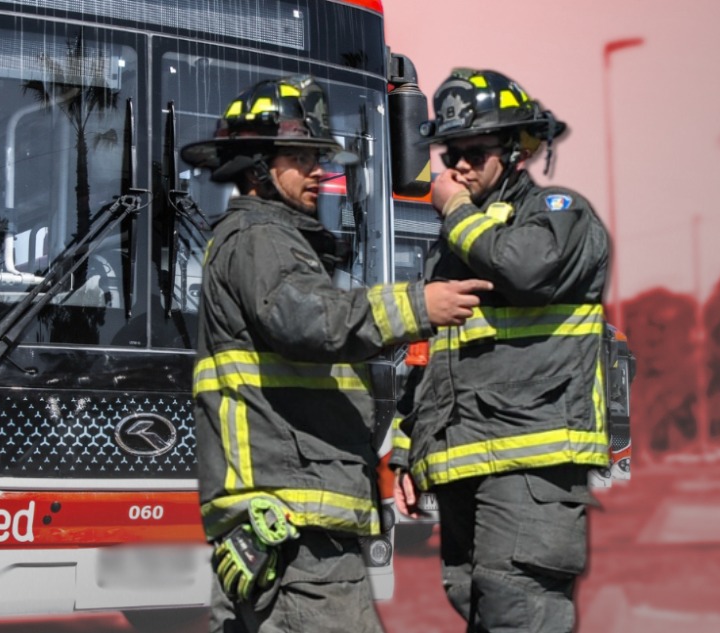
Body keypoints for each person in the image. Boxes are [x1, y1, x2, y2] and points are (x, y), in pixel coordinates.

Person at [180, 74, 493, 633]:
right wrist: (420, 306)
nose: (320, 172)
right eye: (301, 157)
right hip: (301, 532)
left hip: (274, 528)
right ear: (256, 167)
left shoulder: (253, 240)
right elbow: (309, 320)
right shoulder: (261, 239)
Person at [389, 67, 611, 632]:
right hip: (466, 466)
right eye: (449, 153)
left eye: (474, 152)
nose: (458, 167)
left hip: (530, 471)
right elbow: (432, 357)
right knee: (477, 604)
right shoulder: (462, 246)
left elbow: (525, 271)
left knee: (518, 611)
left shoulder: (558, 215)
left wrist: (455, 213)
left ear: (516, 150)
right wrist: (409, 454)